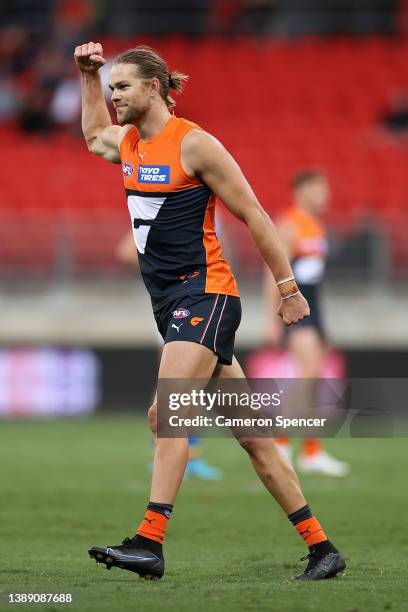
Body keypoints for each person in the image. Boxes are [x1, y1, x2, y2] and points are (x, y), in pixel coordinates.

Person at [74, 41, 346, 581]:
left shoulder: (195, 145)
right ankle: (322, 549)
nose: (115, 97)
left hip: (207, 296)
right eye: (111, 90)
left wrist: (288, 287)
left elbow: (256, 214)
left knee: (167, 413)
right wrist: (88, 77)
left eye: (122, 87)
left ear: (155, 87)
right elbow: (90, 136)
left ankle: (150, 541)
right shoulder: (127, 142)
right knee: (254, 439)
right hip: (172, 303)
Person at [117, 230, 223, 481]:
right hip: (175, 306)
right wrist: (163, 271)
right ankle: (162, 453)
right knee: (172, 380)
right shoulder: (167, 212)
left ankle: (192, 455)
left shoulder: (211, 216)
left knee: (196, 382)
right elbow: (124, 251)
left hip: (202, 304)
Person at [264, 170, 349, 476]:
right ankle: (281, 443)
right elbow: (272, 272)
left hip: (315, 308)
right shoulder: (290, 225)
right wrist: (271, 318)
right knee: (308, 374)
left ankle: (312, 450)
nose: (325, 195)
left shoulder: (318, 227)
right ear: (302, 190)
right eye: (319, 189)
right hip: (296, 309)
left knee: (315, 381)